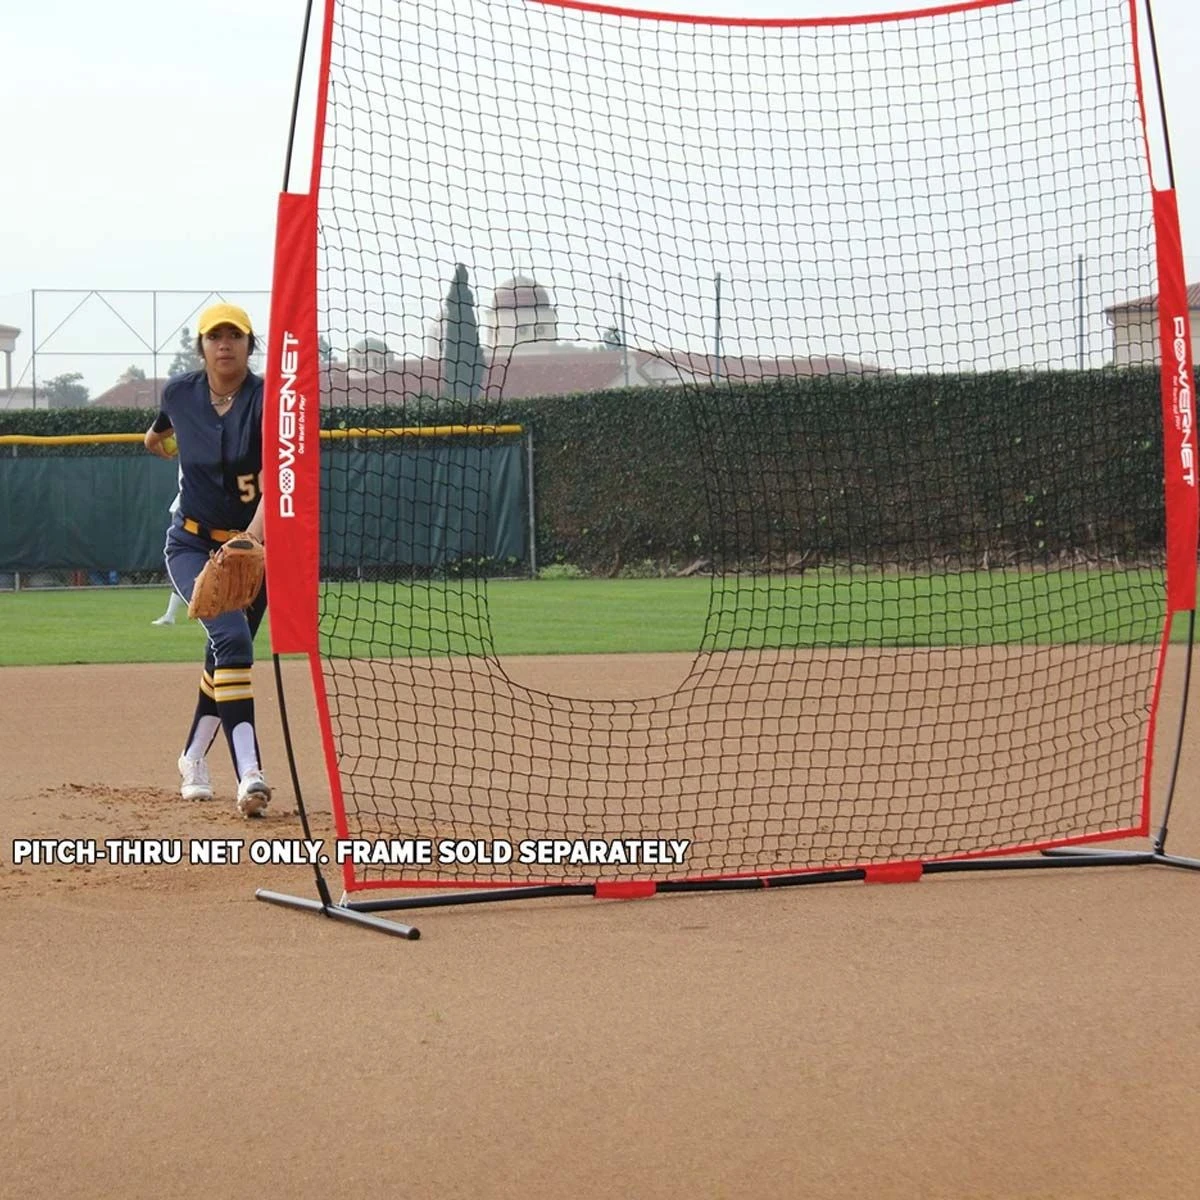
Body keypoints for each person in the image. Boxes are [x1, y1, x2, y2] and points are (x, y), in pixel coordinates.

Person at [144, 303, 271, 818]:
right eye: (214, 336)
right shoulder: (180, 393)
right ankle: (251, 774)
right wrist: (155, 442)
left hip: (252, 551)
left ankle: (192, 757)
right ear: (201, 347)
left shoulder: (269, 400)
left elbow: (282, 476)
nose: (224, 344)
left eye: (234, 335)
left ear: (249, 345)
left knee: (224, 655)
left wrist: (251, 541)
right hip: (192, 546)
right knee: (233, 640)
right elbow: (158, 431)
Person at [151, 492, 188, 625]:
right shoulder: (186, 491)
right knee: (183, 579)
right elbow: (175, 516)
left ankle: (169, 615)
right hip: (191, 544)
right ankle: (169, 615)